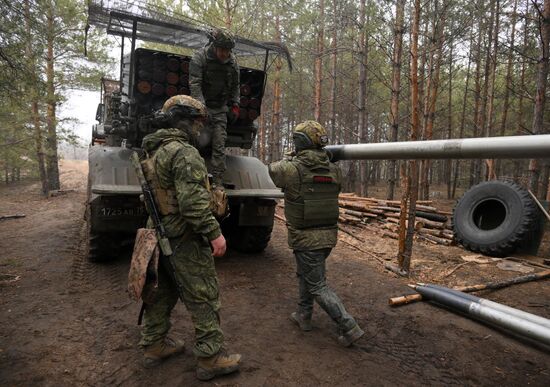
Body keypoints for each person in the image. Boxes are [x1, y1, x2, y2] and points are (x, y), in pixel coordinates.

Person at [138, 95, 241, 381]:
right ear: (183, 121)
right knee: (204, 293)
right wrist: (215, 234)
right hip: (183, 234)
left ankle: (153, 344)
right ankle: (210, 357)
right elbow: (193, 204)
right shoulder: (183, 152)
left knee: (163, 291)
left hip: (158, 232)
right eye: (197, 122)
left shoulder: (154, 150)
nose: (200, 129)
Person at [268, 120, 365, 347]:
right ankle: (303, 315)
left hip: (305, 237)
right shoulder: (334, 170)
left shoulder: (289, 168)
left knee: (317, 284)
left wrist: (288, 156)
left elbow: (273, 170)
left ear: (299, 143)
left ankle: (349, 326)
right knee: (308, 275)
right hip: (328, 236)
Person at [189, 28, 240, 189]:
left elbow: (235, 87)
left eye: (228, 50)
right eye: (222, 50)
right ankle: (192, 179)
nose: (225, 54)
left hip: (220, 109)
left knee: (219, 144)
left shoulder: (232, 62)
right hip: (201, 107)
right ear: (214, 46)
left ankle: (218, 181)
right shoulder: (200, 57)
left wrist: (235, 104)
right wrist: (200, 107)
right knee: (196, 142)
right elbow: (195, 84)